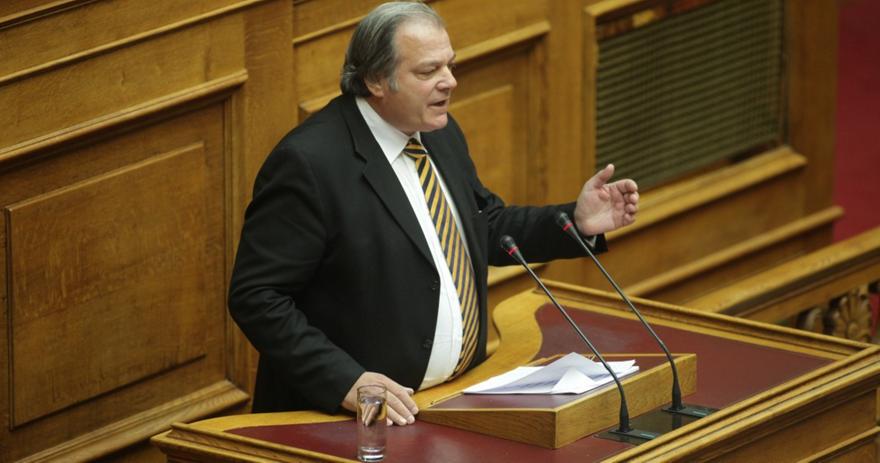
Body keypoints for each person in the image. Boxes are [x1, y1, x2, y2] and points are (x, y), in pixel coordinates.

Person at [228, 1, 638, 427]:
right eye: (428, 71)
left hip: (452, 404)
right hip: (352, 421)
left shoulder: (436, 131)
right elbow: (257, 296)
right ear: (375, 80)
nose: (450, 82)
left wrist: (575, 222)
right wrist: (345, 381)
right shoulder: (310, 163)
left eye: (450, 65)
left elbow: (482, 226)